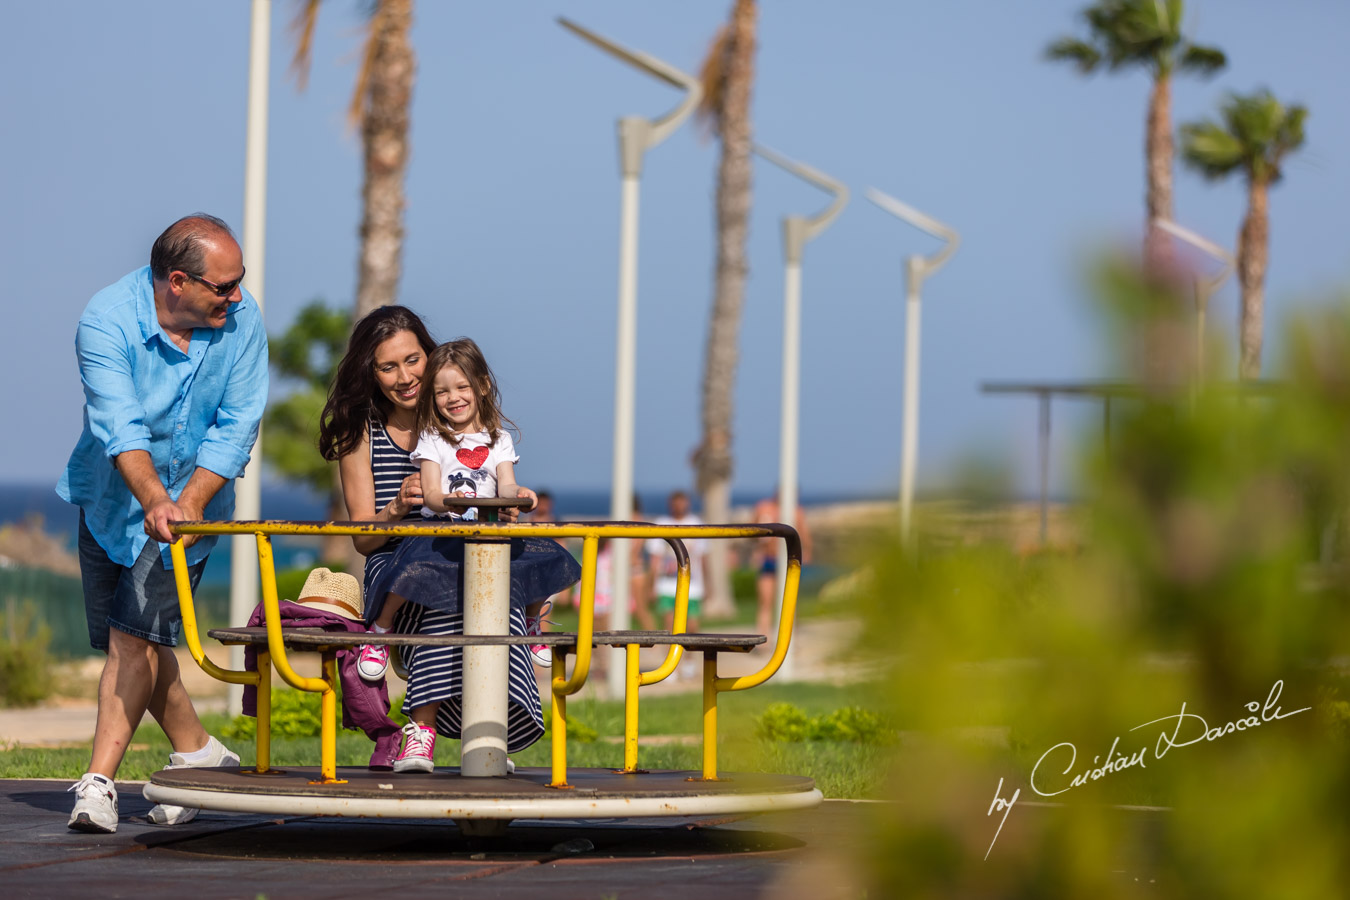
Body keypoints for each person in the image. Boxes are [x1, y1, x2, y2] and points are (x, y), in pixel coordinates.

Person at [58, 214, 268, 834]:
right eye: (223, 287)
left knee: (131, 638)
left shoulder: (242, 319)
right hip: (110, 503)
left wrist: (190, 502)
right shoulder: (105, 320)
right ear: (177, 282)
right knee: (137, 647)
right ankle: (201, 754)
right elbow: (118, 424)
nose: (236, 297)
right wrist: (154, 498)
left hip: (194, 511)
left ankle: (98, 783)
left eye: (239, 283)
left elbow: (238, 423)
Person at [318, 313, 575, 776]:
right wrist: (396, 507)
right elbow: (362, 539)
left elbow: (500, 476)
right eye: (388, 367)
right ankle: (441, 729)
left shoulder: (462, 417)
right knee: (452, 581)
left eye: (413, 360)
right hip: (399, 564)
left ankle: (483, 728)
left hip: (467, 551)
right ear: (370, 373)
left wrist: (506, 506)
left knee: (482, 572)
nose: (404, 377)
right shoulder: (362, 434)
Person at [645, 490, 708, 635]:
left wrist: (707, 584)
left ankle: (689, 657)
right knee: (669, 624)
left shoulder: (696, 524)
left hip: (693, 584)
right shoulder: (662, 523)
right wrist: (651, 585)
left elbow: (703, 557)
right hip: (666, 584)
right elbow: (655, 559)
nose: (679, 506)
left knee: (692, 625)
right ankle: (671, 655)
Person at [752, 492, 814, 638]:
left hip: (788, 561)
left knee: (790, 603)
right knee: (765, 602)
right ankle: (764, 638)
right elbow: (753, 531)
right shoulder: (764, 508)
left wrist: (807, 552)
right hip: (769, 559)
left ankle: (790, 640)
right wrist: (756, 550)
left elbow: (804, 534)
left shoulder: (796, 511)